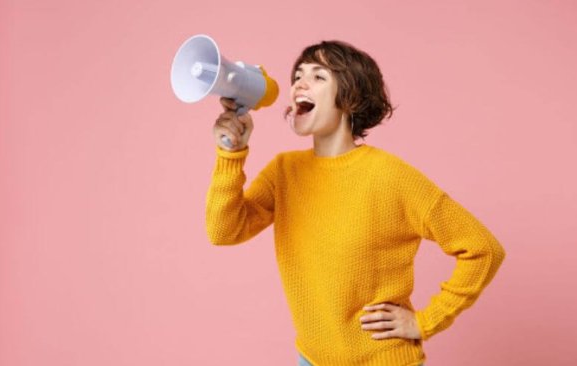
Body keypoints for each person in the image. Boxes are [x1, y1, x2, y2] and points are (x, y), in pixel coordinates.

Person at [206, 40, 506, 366]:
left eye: (318, 77)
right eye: (298, 77)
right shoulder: (284, 172)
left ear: (350, 97)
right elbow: (224, 232)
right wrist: (230, 153)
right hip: (311, 359)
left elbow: (483, 249)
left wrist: (425, 321)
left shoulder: (390, 176)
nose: (299, 85)